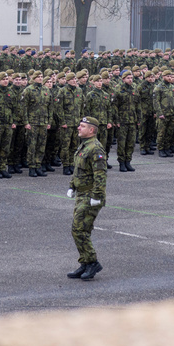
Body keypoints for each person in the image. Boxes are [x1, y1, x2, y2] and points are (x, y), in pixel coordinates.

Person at [66, 116, 107, 281]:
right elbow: (78, 170)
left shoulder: (95, 149)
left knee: (78, 229)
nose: (78, 128)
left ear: (91, 130)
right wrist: (72, 186)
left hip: (91, 195)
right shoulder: (84, 146)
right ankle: (85, 262)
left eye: (82, 126)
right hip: (82, 194)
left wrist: (97, 197)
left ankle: (92, 262)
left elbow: (100, 176)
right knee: (82, 230)